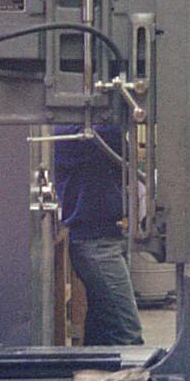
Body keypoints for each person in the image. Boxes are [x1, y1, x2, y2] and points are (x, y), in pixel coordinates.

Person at [54, 124, 144, 346]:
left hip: (107, 236)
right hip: (96, 244)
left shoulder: (88, 128)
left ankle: (95, 374)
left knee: (103, 330)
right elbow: (119, 144)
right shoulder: (82, 130)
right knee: (128, 334)